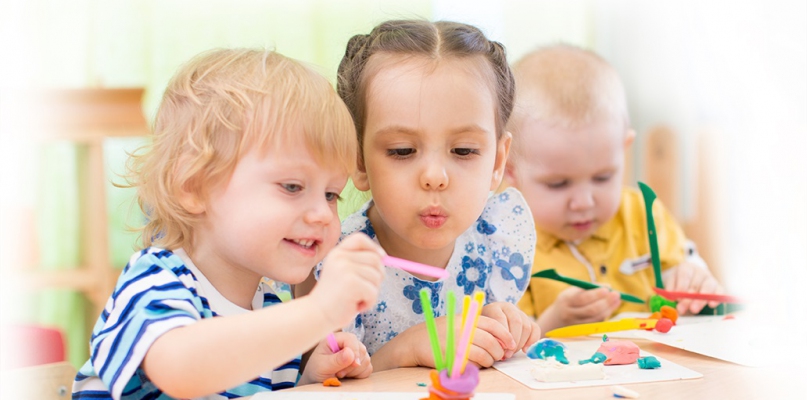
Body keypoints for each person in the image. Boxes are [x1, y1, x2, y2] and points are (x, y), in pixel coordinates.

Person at [72, 48, 386, 400]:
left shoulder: (269, 306)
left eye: (331, 194)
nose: (323, 215)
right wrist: (319, 311)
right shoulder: (155, 282)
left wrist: (309, 377)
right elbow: (184, 373)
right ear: (193, 186)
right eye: (292, 187)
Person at [297, 19, 541, 372]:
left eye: (463, 151)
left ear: (498, 162)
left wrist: (499, 328)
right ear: (358, 160)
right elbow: (322, 388)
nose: (435, 177)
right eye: (401, 150)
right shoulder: (334, 267)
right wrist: (408, 349)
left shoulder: (495, 242)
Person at [504, 44, 724, 333]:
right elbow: (507, 350)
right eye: (558, 184)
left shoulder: (644, 216)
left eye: (603, 177)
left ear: (623, 151)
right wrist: (551, 323)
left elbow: (701, 294)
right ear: (509, 170)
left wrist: (695, 283)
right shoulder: (507, 244)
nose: (583, 201)